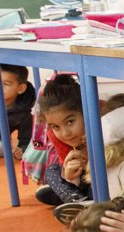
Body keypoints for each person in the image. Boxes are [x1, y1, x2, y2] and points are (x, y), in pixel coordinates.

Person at [33, 74, 92, 214]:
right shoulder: (56, 137)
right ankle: (74, 200)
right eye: (56, 127)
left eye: (70, 122)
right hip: (82, 182)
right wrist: (70, 177)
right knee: (52, 171)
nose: (65, 134)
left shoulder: (101, 128)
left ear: (86, 112)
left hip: (102, 181)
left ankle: (69, 197)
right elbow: (68, 167)